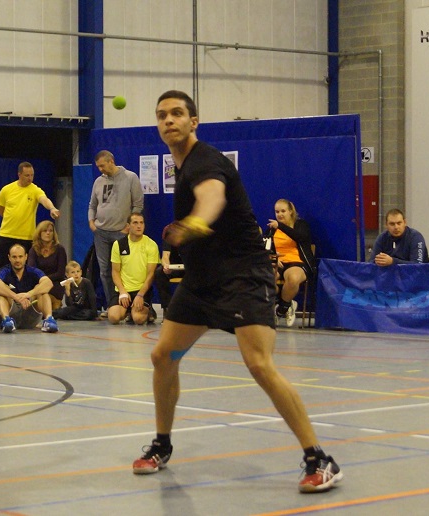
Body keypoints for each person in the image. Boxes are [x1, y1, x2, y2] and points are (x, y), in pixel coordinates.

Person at [131, 90, 342, 493]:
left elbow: (213, 199)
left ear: (194, 121)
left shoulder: (205, 161)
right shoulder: (184, 165)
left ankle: (320, 458)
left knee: (260, 365)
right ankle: (162, 443)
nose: (168, 121)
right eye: (161, 115)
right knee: (163, 355)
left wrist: (192, 226)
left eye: (177, 114)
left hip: (244, 277)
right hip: (201, 282)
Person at [88, 150, 144, 309]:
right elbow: (92, 205)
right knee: (104, 271)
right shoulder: (99, 181)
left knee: (124, 270)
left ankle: (127, 304)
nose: (100, 169)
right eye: (98, 166)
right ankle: (113, 304)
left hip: (121, 233)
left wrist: (130, 226)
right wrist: (91, 222)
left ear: (111, 161)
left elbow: (138, 204)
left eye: (102, 165)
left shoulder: (130, 177)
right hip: (101, 233)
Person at [0, 162, 60, 274]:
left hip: (26, 237)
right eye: (27, 175)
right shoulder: (6, 190)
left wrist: (52, 208)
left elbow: (44, 199)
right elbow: (1, 210)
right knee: (0, 268)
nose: (30, 178)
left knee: (25, 270)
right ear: (19, 174)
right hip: (6, 234)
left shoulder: (35, 190)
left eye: (32, 175)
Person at [267, 199, 315, 327]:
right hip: (279, 263)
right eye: (277, 212)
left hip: (298, 262)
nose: (280, 214)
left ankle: (282, 308)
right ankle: (284, 303)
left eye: (283, 211)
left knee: (293, 278)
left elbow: (301, 237)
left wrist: (281, 226)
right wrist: (274, 259)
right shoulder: (272, 229)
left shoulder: (300, 224)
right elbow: (265, 249)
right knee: (265, 278)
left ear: (290, 212)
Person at [0, 243, 58, 333]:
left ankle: (49, 320)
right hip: (11, 313)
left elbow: (48, 283)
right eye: (14, 257)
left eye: (20, 256)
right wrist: (16, 297)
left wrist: (29, 294)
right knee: (1, 293)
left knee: (41, 290)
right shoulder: (4, 271)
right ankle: (6, 320)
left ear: (26, 257)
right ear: (9, 258)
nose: (17, 260)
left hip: (29, 316)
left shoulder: (33, 271)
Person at [109, 212, 158, 325]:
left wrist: (140, 295)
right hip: (123, 290)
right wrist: (122, 292)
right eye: (135, 223)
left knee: (138, 319)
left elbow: (151, 274)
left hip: (141, 290)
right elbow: (115, 271)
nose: (139, 226)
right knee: (113, 317)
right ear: (128, 226)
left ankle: (146, 310)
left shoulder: (151, 245)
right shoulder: (119, 245)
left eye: (141, 223)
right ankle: (128, 311)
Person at [28, 220, 68, 310]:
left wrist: (44, 280)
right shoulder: (34, 250)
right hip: (38, 283)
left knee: (39, 296)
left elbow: (60, 273)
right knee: (38, 295)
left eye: (50, 231)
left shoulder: (60, 249)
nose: (48, 233)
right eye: (45, 231)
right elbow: (31, 270)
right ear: (39, 233)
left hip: (55, 284)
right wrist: (41, 281)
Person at [153, 241, 184, 320]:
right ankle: (167, 309)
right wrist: (166, 266)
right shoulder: (170, 232)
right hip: (174, 268)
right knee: (160, 272)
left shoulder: (194, 234)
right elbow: (165, 256)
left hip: (192, 267)